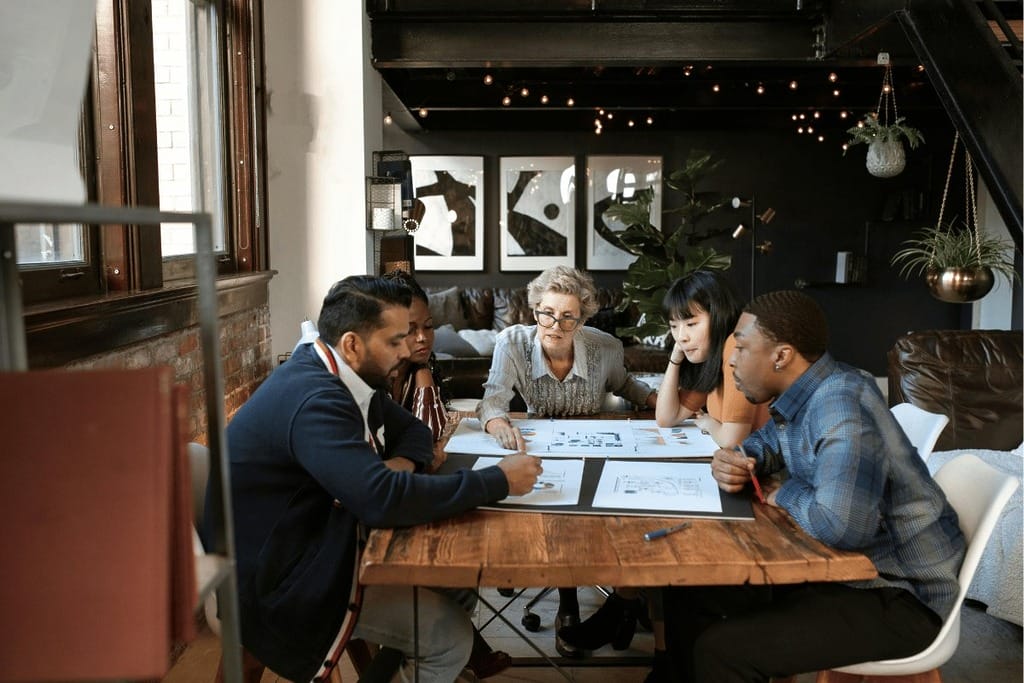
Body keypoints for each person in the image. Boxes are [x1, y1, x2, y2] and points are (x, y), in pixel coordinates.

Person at [218, 275, 542, 683]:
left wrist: (400, 467)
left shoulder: (341, 375)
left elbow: (416, 433)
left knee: (456, 585)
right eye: (394, 341)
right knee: (449, 637)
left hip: (314, 545)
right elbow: (381, 501)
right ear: (353, 343)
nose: (408, 349)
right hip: (282, 583)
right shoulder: (318, 398)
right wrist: (497, 480)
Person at [661, 289, 966, 682]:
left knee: (721, 652)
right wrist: (739, 459)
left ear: (781, 355)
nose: (731, 360)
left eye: (741, 347)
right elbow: (765, 445)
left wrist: (781, 492)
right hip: (848, 574)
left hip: (898, 594)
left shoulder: (840, 404)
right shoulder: (804, 394)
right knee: (689, 589)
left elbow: (840, 525)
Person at [558, 270, 770, 678]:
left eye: (692, 324)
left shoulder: (735, 353)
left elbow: (730, 438)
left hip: (758, 497)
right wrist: (675, 357)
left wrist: (709, 424)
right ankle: (639, 625)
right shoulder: (712, 361)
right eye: (675, 326)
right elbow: (667, 417)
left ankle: (633, 618)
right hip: (732, 482)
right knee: (647, 513)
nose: (684, 335)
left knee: (655, 525)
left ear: (720, 315)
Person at [476, 264, 659, 658]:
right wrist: (496, 423)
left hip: (595, 448)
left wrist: (653, 400)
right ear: (534, 309)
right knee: (555, 518)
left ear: (582, 318)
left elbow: (624, 384)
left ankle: (625, 601)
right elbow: (492, 400)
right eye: (546, 312)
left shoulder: (605, 347)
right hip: (544, 448)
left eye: (567, 316)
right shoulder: (512, 343)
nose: (554, 324)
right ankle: (569, 603)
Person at [383, 269, 512, 679]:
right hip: (382, 516)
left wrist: (422, 377)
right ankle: (452, 650)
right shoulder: (375, 381)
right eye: (410, 330)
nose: (422, 338)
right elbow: (422, 443)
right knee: (449, 563)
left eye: (428, 327)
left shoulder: (421, 367)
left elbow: (430, 433)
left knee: (460, 568)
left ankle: (458, 654)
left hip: (408, 490)